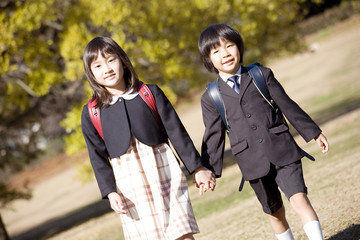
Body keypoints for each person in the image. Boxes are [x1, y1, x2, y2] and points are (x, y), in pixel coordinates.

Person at [198, 24, 329, 240]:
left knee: (299, 200)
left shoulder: (261, 74)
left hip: (283, 149)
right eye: (216, 51)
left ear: (239, 47)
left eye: (229, 46)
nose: (225, 54)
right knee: (275, 213)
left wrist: (313, 132)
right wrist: (208, 171)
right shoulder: (211, 97)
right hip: (252, 162)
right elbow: (213, 137)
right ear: (208, 60)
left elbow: (288, 105)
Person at [81, 36, 215, 240]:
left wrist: (198, 168)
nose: (106, 68)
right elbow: (97, 157)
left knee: (182, 233)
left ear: (123, 61)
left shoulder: (149, 93)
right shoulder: (92, 112)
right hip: (129, 185)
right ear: (91, 73)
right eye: (97, 65)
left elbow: (177, 133)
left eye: (110, 60)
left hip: (165, 171)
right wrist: (110, 192)